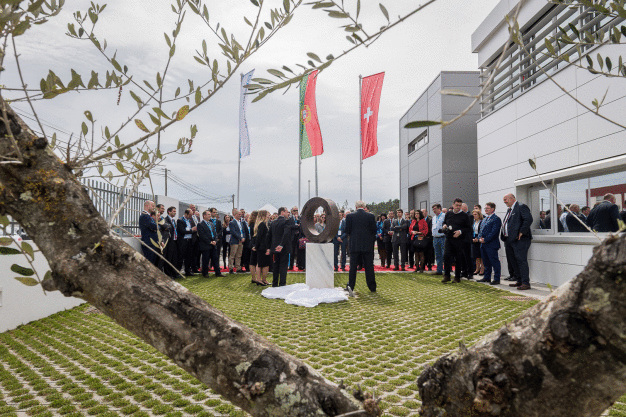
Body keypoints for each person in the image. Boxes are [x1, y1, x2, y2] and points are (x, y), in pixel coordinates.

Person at [501, 193, 533, 290]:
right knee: (513, 261)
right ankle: (519, 280)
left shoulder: (521, 206)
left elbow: (528, 219)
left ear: (512, 198)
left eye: (506, 199)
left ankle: (525, 283)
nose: (504, 201)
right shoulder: (509, 210)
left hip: (520, 240)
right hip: (510, 240)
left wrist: (521, 232)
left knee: (521, 260)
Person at [345, 200, 377, 292]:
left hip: (354, 245)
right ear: (364, 207)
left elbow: (347, 230)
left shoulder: (350, 216)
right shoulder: (370, 216)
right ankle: (372, 287)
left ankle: (350, 286)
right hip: (367, 246)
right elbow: (374, 230)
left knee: (353, 267)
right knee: (369, 267)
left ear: (355, 207)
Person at [441, 199, 472, 283]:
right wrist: (444, 225)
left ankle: (457, 277)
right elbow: (444, 222)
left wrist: (460, 232)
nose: (458, 207)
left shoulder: (464, 216)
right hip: (449, 239)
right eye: (457, 205)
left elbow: (469, 228)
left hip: (459, 240)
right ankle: (447, 275)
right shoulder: (448, 213)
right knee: (446, 256)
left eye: (460, 205)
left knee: (458, 258)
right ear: (453, 205)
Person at [268, 207, 296, 287]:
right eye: (287, 212)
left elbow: (269, 236)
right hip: (283, 248)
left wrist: (269, 247)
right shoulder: (286, 222)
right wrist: (281, 245)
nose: (288, 214)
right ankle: (282, 284)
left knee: (276, 266)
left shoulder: (273, 222)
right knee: (283, 266)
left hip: (274, 248)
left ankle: (274, 283)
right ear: (282, 212)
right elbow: (286, 234)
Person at [477, 202, 502, 285]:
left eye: (487, 208)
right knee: (486, 262)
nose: (486, 210)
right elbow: (480, 230)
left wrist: (485, 239)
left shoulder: (496, 219)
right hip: (483, 244)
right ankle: (487, 277)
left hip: (491, 244)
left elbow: (494, 232)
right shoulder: (484, 219)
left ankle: (496, 278)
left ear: (492, 209)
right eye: (485, 208)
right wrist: (480, 238)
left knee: (494, 262)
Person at [198, 210, 222, 277]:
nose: (210, 215)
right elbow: (202, 235)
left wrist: (215, 241)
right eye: (208, 214)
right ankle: (205, 273)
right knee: (205, 260)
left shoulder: (211, 224)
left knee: (215, 259)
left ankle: (218, 273)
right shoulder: (200, 224)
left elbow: (215, 233)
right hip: (206, 245)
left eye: (210, 214)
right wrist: (210, 242)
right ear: (204, 216)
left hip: (213, 244)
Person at [177, 209, 197, 276]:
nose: (191, 216)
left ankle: (187, 271)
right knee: (181, 257)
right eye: (190, 215)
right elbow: (182, 231)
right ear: (186, 214)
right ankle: (178, 272)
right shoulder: (180, 220)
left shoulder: (190, 220)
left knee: (188, 257)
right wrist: (192, 230)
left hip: (189, 240)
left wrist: (191, 230)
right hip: (183, 241)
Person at [253, 210, 271, 285]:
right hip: (261, 247)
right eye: (267, 214)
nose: (269, 216)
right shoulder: (262, 224)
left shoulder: (264, 224)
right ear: (264, 215)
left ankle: (264, 279)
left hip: (265, 247)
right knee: (260, 264)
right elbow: (259, 237)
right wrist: (256, 246)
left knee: (265, 264)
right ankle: (259, 280)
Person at [139, 200, 158, 265]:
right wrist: (158, 226)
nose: (153, 207)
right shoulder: (144, 216)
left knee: (153, 261)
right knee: (150, 262)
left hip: (152, 243)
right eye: (152, 206)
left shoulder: (148, 216)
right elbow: (154, 227)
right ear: (147, 206)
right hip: (148, 243)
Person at [163, 206, 180, 278]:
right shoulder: (165, 220)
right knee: (169, 258)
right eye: (173, 211)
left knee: (174, 258)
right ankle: (168, 274)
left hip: (175, 241)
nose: (175, 213)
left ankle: (174, 273)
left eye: (175, 211)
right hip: (169, 241)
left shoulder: (174, 220)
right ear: (169, 212)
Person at [228, 209, 246, 273]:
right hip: (235, 241)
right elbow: (233, 232)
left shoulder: (241, 223)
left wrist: (243, 237)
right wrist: (240, 238)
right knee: (232, 255)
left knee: (239, 255)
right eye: (239, 214)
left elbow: (243, 231)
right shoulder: (232, 222)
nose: (240, 215)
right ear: (235, 215)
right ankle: (231, 268)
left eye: (240, 214)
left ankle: (238, 268)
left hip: (241, 241)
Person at [431, 204, 446, 275]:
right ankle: (439, 270)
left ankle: (446, 270)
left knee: (444, 254)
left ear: (439, 208)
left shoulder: (444, 216)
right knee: (437, 255)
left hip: (442, 237)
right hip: (435, 238)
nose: (434, 210)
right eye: (433, 209)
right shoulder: (434, 218)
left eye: (435, 208)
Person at [471, 209, 484, 275]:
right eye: (473, 215)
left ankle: (482, 269)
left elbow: (481, 231)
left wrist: (478, 238)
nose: (474, 216)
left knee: (481, 255)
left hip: (479, 238)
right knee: (476, 255)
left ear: (479, 215)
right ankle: (477, 269)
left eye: (475, 214)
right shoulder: (473, 222)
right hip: (474, 238)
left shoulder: (481, 222)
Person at [247, 211, 259, 282]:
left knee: (253, 261)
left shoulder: (252, 223)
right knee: (253, 261)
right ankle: (254, 278)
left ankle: (254, 278)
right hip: (254, 244)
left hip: (252, 243)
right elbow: (254, 236)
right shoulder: (253, 224)